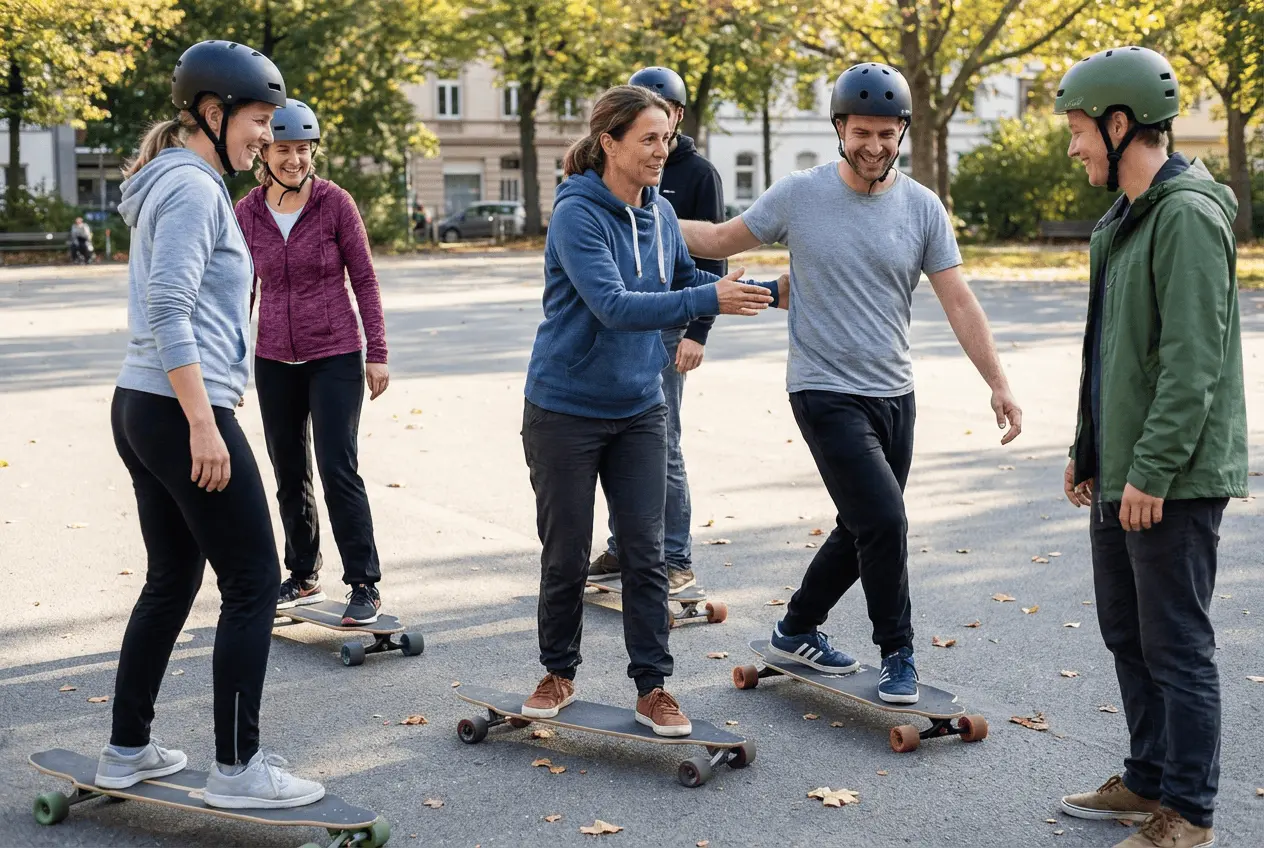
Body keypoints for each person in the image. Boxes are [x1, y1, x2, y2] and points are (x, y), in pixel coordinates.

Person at [677, 62, 1022, 705]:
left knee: (860, 523)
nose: (874, 145)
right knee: (885, 520)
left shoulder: (922, 207)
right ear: (839, 127)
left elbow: (960, 302)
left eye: (886, 133)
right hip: (822, 388)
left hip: (895, 391)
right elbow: (723, 237)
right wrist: (633, 215)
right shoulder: (800, 195)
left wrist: (998, 383)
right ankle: (899, 653)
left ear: (902, 132)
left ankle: (795, 629)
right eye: (861, 131)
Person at [101, 40, 324, 808]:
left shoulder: (171, 181)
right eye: (259, 119)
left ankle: (126, 750)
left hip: (141, 403)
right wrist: (203, 421)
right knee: (256, 579)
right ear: (211, 111)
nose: (268, 134)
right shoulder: (194, 189)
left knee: (172, 578)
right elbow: (169, 307)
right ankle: (238, 769)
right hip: (177, 407)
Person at [519, 84, 781, 736]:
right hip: (566, 409)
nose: (662, 151)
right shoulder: (577, 215)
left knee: (646, 556)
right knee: (567, 551)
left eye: (666, 138)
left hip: (640, 406)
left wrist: (761, 291)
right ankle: (557, 671)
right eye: (648, 139)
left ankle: (653, 687)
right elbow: (614, 304)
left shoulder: (659, 212)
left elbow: (682, 281)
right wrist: (712, 300)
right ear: (609, 142)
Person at [1053, 46, 1246, 848]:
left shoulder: (1189, 216)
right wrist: (1088, 448)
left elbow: (1191, 363)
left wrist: (1153, 471)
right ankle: (1146, 779)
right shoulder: (1122, 222)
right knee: (1128, 632)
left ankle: (1190, 814)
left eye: (1078, 131)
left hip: (1174, 477)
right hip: (1125, 471)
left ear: (1119, 122)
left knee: (1177, 645)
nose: (1074, 148)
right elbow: (1112, 352)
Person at [236, 98, 391, 626]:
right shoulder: (247, 211)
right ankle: (302, 573)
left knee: (336, 467)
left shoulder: (335, 203)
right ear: (265, 153)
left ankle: (364, 584)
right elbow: (241, 292)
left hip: (336, 354)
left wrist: (378, 353)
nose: (294, 160)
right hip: (273, 356)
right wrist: (233, 362)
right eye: (283, 149)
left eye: (302, 150)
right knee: (288, 470)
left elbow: (365, 280)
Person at [586, 66, 728, 595]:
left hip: (672, 324)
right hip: (628, 318)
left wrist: (699, 331)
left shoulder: (697, 175)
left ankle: (675, 556)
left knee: (662, 441)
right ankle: (626, 545)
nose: (658, 143)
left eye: (665, 125)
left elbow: (711, 262)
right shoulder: (608, 181)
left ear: (680, 117)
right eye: (647, 132)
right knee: (625, 439)